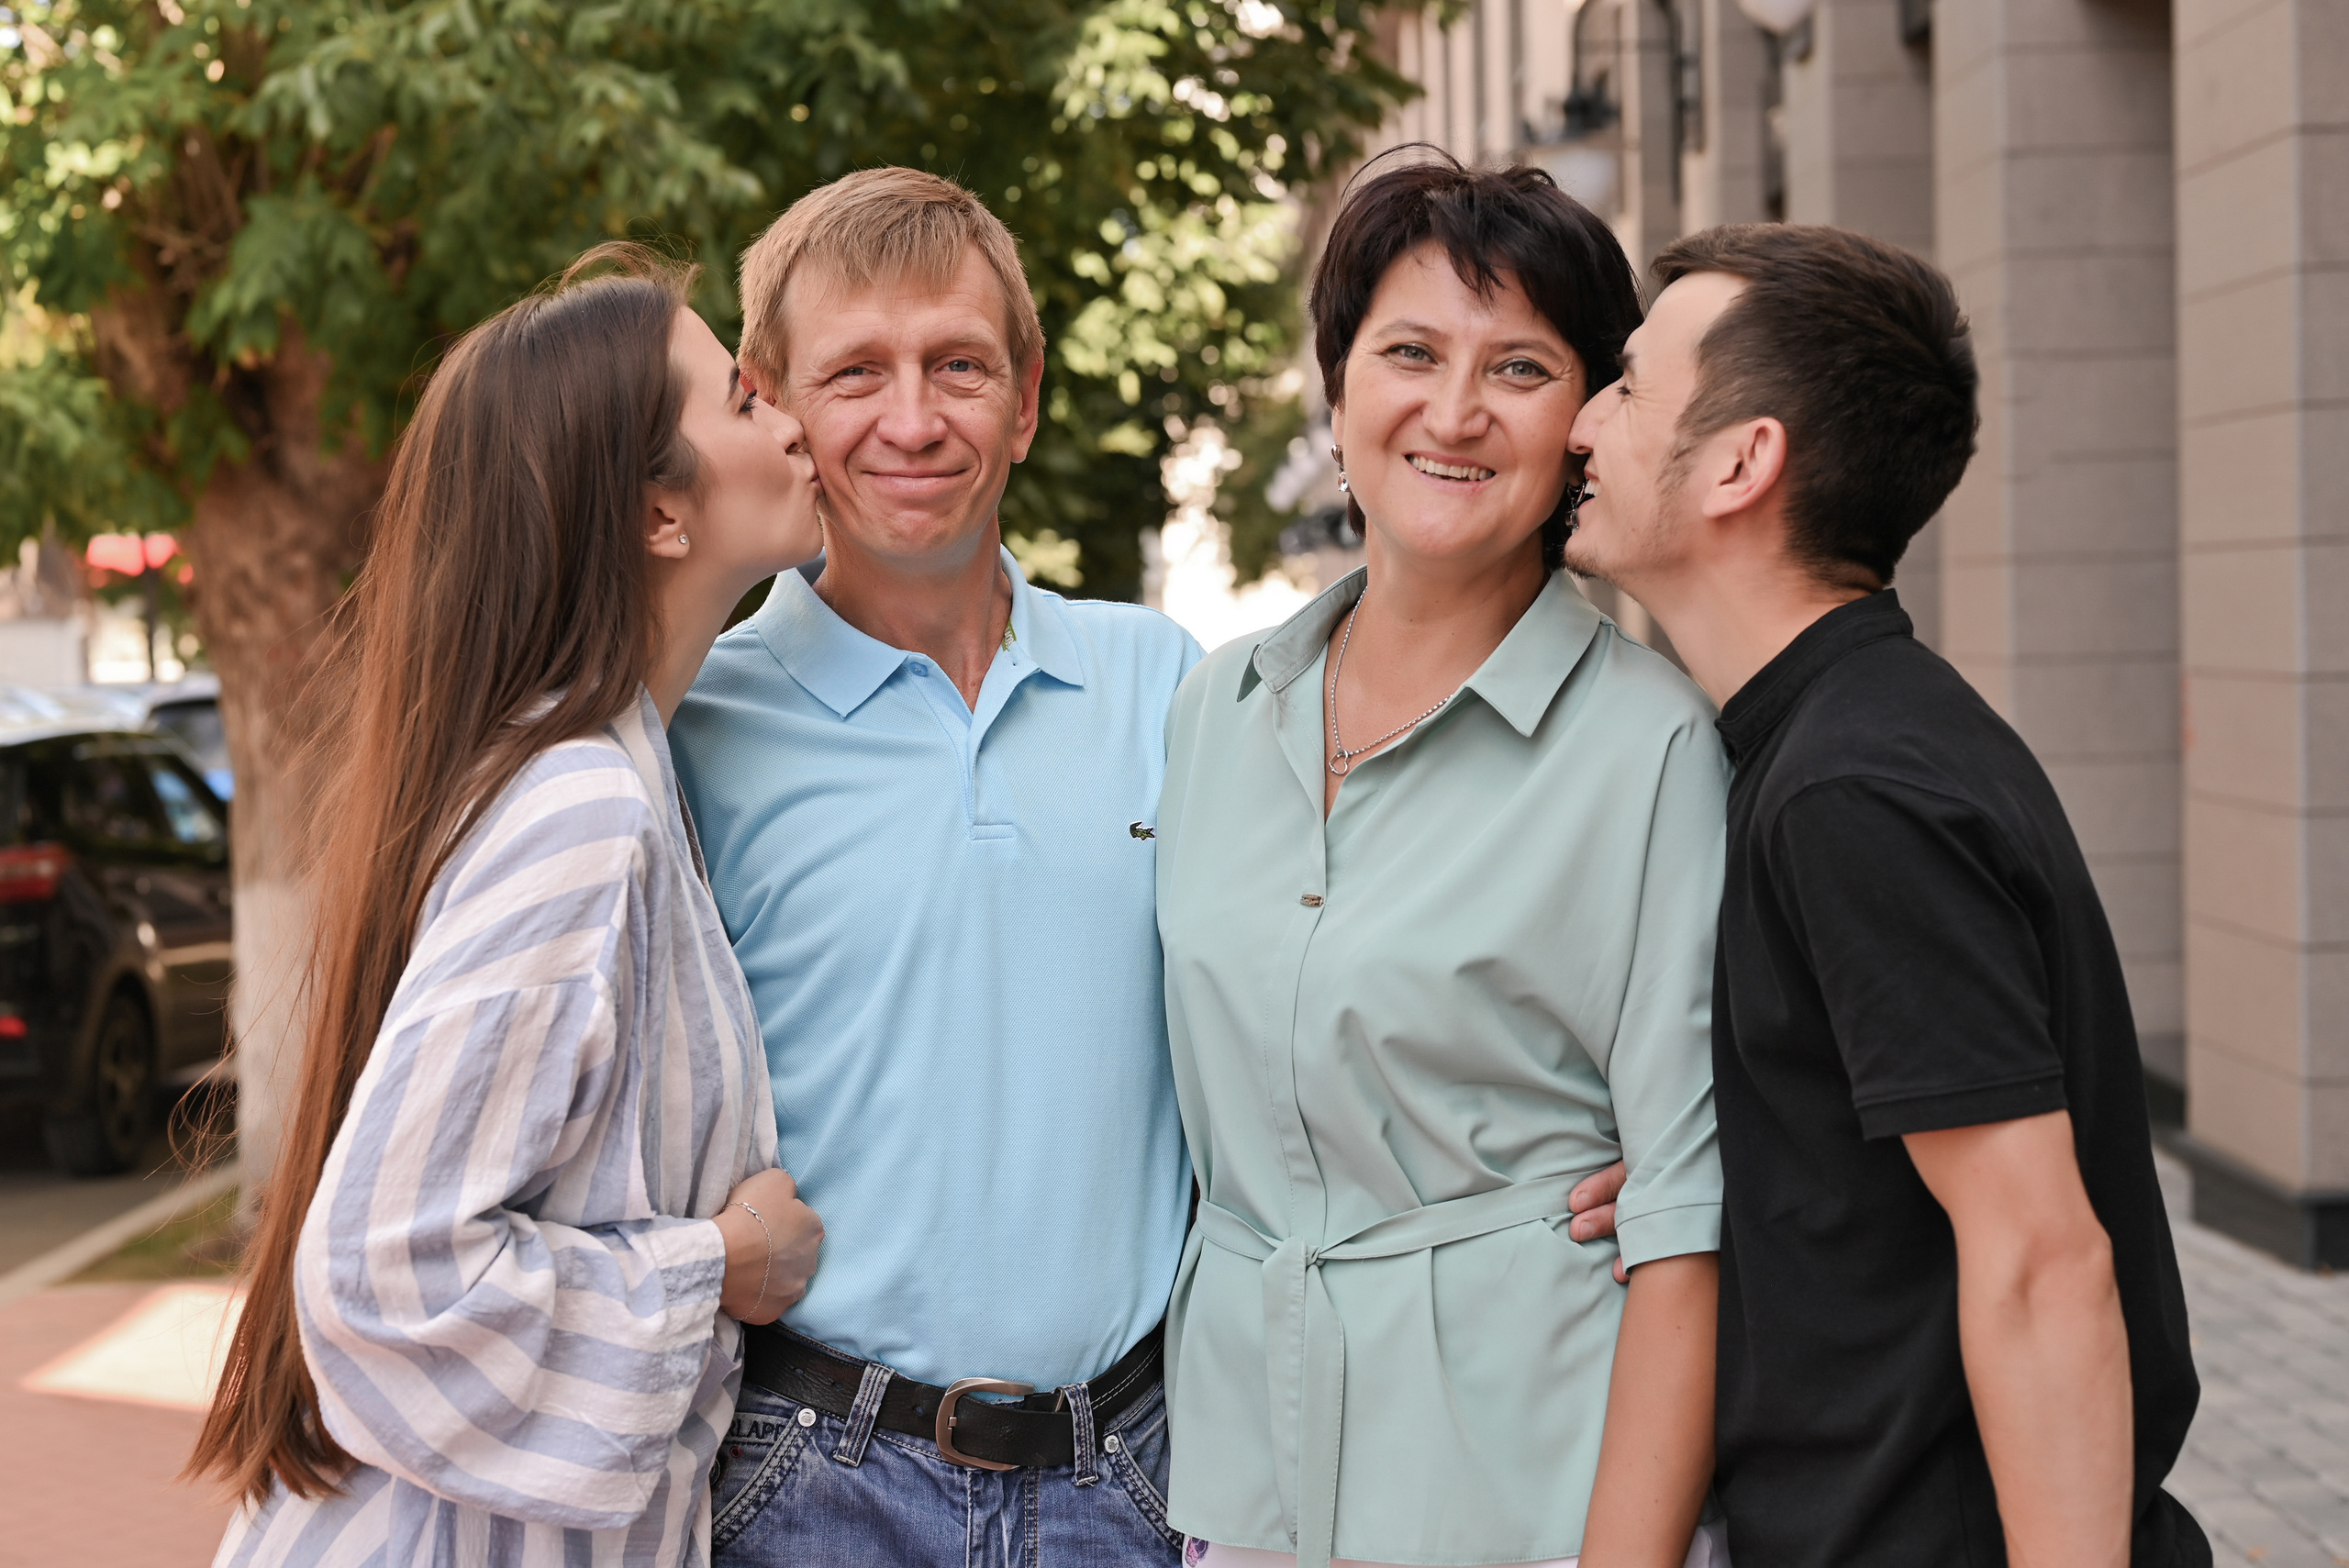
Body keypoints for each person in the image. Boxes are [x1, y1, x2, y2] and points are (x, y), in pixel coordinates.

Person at [672, 166, 1631, 1567]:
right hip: (818, 1480)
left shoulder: (1177, 691)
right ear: (769, 401)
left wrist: (1565, 1160)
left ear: (1030, 393)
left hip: (1137, 1470)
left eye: (958, 366)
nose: (914, 418)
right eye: (855, 374)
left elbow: (1337, 975)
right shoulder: (705, 728)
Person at [1563, 223, 2209, 1568]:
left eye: (1627, 385)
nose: (1582, 422)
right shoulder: (1838, 737)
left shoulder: (1853, 789)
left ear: (1743, 461)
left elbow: (2042, 1262)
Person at [194, 246, 829, 1567]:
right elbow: (385, 1273)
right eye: (742, 399)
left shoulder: (611, 775)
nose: (794, 420)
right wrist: (721, 1261)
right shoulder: (579, 809)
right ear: (661, 512)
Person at [1153, 156, 1730, 1568]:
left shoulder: (1648, 750)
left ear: (1585, 420)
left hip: (1526, 1494)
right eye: (1409, 352)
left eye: (1520, 367)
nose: (1455, 411)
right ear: (1338, 388)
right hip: (1246, 1496)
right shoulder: (1218, 710)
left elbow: (1681, 1231)